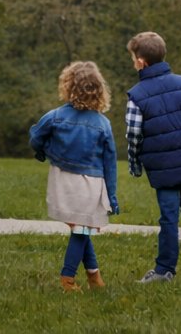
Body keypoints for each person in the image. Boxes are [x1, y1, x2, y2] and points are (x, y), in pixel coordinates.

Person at [125, 31, 181, 283]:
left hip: (163, 166)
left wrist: (135, 164)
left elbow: (133, 134)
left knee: (168, 216)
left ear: (141, 61)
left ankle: (165, 269)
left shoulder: (137, 95)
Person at [29, 61, 119, 291]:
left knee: (82, 227)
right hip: (89, 184)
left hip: (62, 180)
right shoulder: (103, 124)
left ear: (68, 86)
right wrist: (112, 195)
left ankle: (94, 275)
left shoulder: (55, 116)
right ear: (99, 89)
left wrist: (44, 152)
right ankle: (67, 279)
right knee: (82, 229)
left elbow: (35, 136)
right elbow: (110, 163)